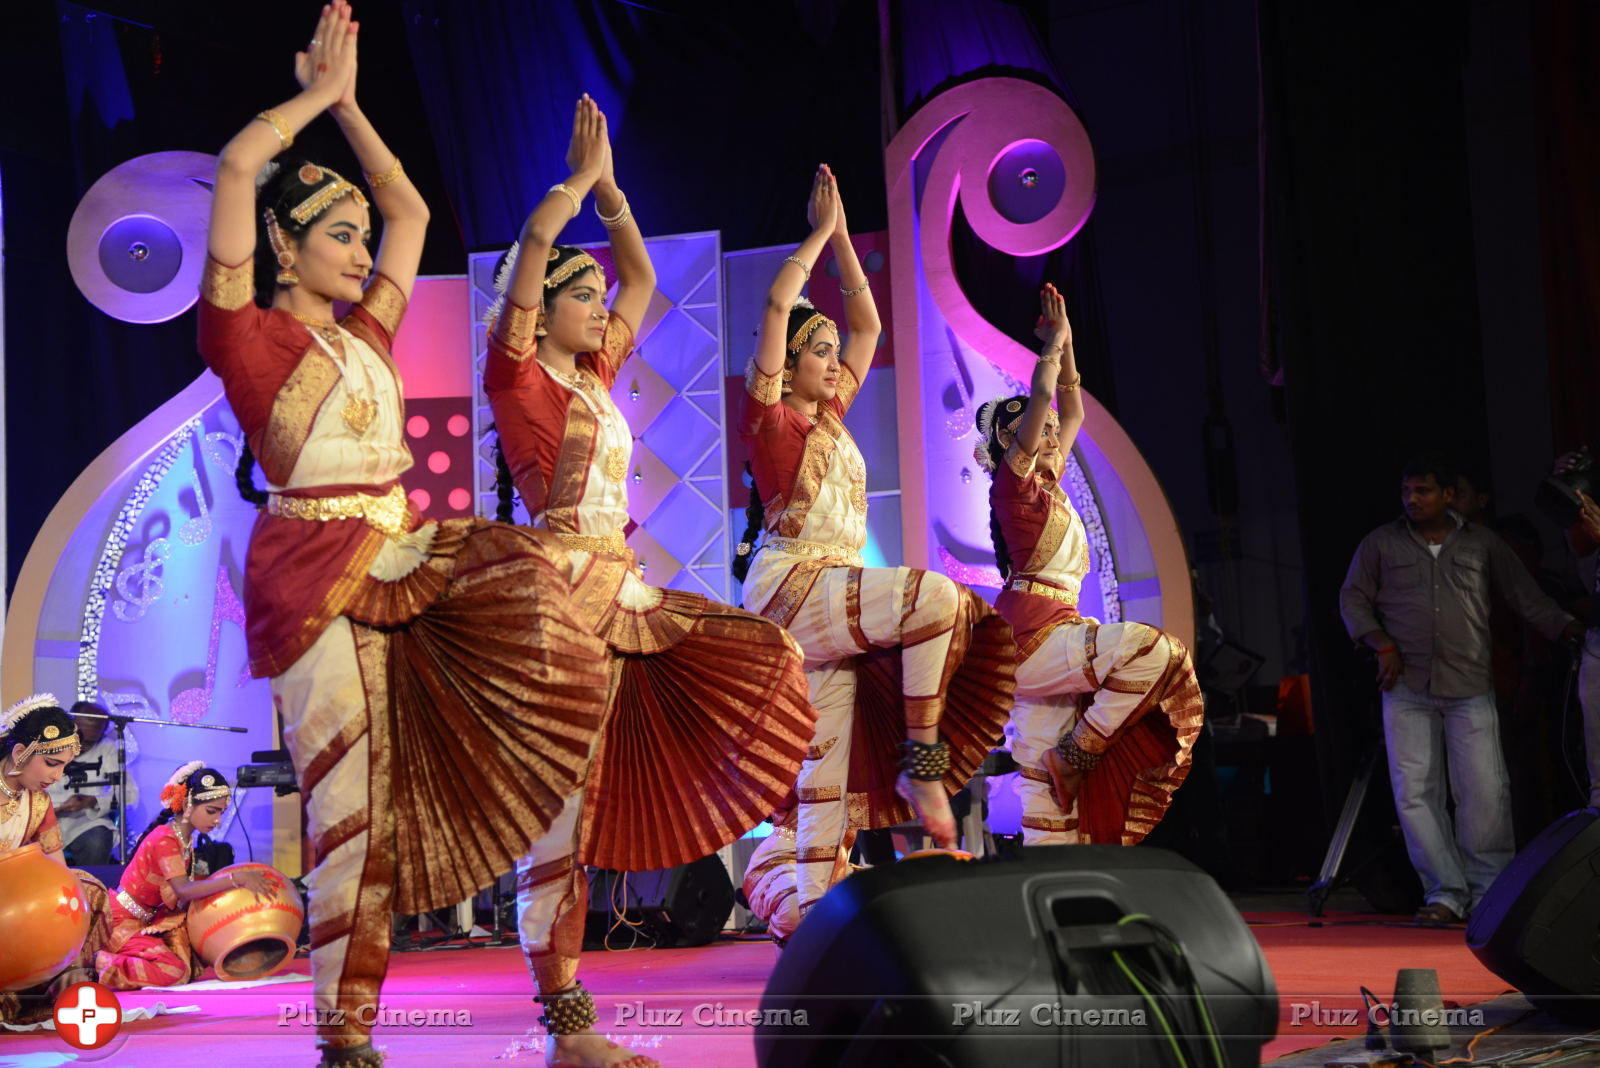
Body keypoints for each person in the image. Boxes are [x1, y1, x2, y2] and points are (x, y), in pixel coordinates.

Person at [197, 7, 610, 1063]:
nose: (364, 249)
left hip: (408, 565)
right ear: (282, 247)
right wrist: (313, 105)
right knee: (351, 825)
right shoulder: (244, 333)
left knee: (559, 720)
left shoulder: (365, 335)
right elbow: (241, 166)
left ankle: (567, 1023)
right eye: (338, 235)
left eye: (360, 239)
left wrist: (355, 109)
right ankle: (348, 1042)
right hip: (313, 582)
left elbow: (410, 204)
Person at [483, 97, 814, 1068]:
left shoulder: (592, 372)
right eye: (576, 298)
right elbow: (540, 248)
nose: (600, 308)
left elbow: (641, 273)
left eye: (594, 301)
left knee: (758, 662)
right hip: (560, 596)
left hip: (622, 589)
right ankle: (568, 1031)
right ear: (538, 312)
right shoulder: (520, 378)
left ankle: (776, 874)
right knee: (557, 822)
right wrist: (573, 191)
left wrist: (617, 199)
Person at [734, 165, 1015, 922]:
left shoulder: (829, 418)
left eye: (831, 351)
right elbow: (773, 303)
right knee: (934, 601)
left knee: (822, 801)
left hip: (834, 607)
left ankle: (792, 910)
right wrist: (819, 236)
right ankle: (922, 768)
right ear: (786, 365)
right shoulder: (770, 420)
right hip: (794, 590)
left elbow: (869, 328)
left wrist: (848, 242)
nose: (834, 359)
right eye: (816, 350)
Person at [978, 284, 1202, 846]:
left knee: (1044, 797)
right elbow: (1044, 400)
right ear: (1006, 444)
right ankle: (1078, 753)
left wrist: (1070, 341)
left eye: (1052, 432)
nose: (1052, 435)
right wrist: (1049, 352)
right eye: (1035, 430)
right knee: (1154, 651)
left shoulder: (1051, 488)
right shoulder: (1013, 489)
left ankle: (1047, 903)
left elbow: (1069, 406)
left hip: (1052, 641)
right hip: (1032, 640)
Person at [1339, 453, 1585, 924]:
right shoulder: (1381, 543)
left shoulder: (1482, 543)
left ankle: (1489, 893)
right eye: (1407, 491)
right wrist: (1380, 642)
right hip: (1406, 685)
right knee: (1415, 792)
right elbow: (1352, 597)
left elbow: (1525, 598)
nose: (1413, 499)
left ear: (1449, 495)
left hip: (1469, 682)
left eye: (1423, 491)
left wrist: (1573, 629)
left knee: (1485, 790)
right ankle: (1445, 893)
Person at [96, 762, 272, 989]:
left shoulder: (184, 839)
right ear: (189, 803)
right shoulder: (165, 839)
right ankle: (101, 965)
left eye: (221, 812)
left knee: (190, 962)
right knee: (175, 971)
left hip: (151, 920)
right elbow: (183, 889)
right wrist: (236, 880)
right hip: (122, 922)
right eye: (211, 811)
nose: (217, 820)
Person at [0, 695, 111, 1024]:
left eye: (65, 765)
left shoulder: (39, 801)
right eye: (52, 764)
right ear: (20, 753)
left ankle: (60, 985)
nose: (59, 776)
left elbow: (55, 866)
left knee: (87, 889)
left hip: (17, 899)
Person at [45, 701, 136, 866]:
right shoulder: (44, 745)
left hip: (84, 823)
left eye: (88, 742)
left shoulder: (107, 750)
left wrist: (92, 800)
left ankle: (90, 889)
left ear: (100, 734)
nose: (80, 747)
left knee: (97, 840)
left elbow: (130, 795)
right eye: (77, 738)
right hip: (42, 823)